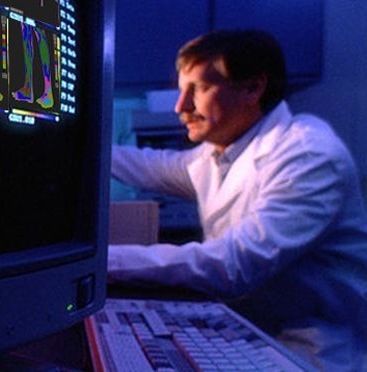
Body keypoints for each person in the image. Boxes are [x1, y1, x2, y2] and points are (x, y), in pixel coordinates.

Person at [109, 30, 367, 370]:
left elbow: (233, 266)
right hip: (251, 332)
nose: (180, 106)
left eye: (198, 88)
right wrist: (75, 147)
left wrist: (100, 260)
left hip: (312, 351)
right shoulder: (217, 154)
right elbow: (148, 166)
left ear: (253, 88)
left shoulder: (309, 155)